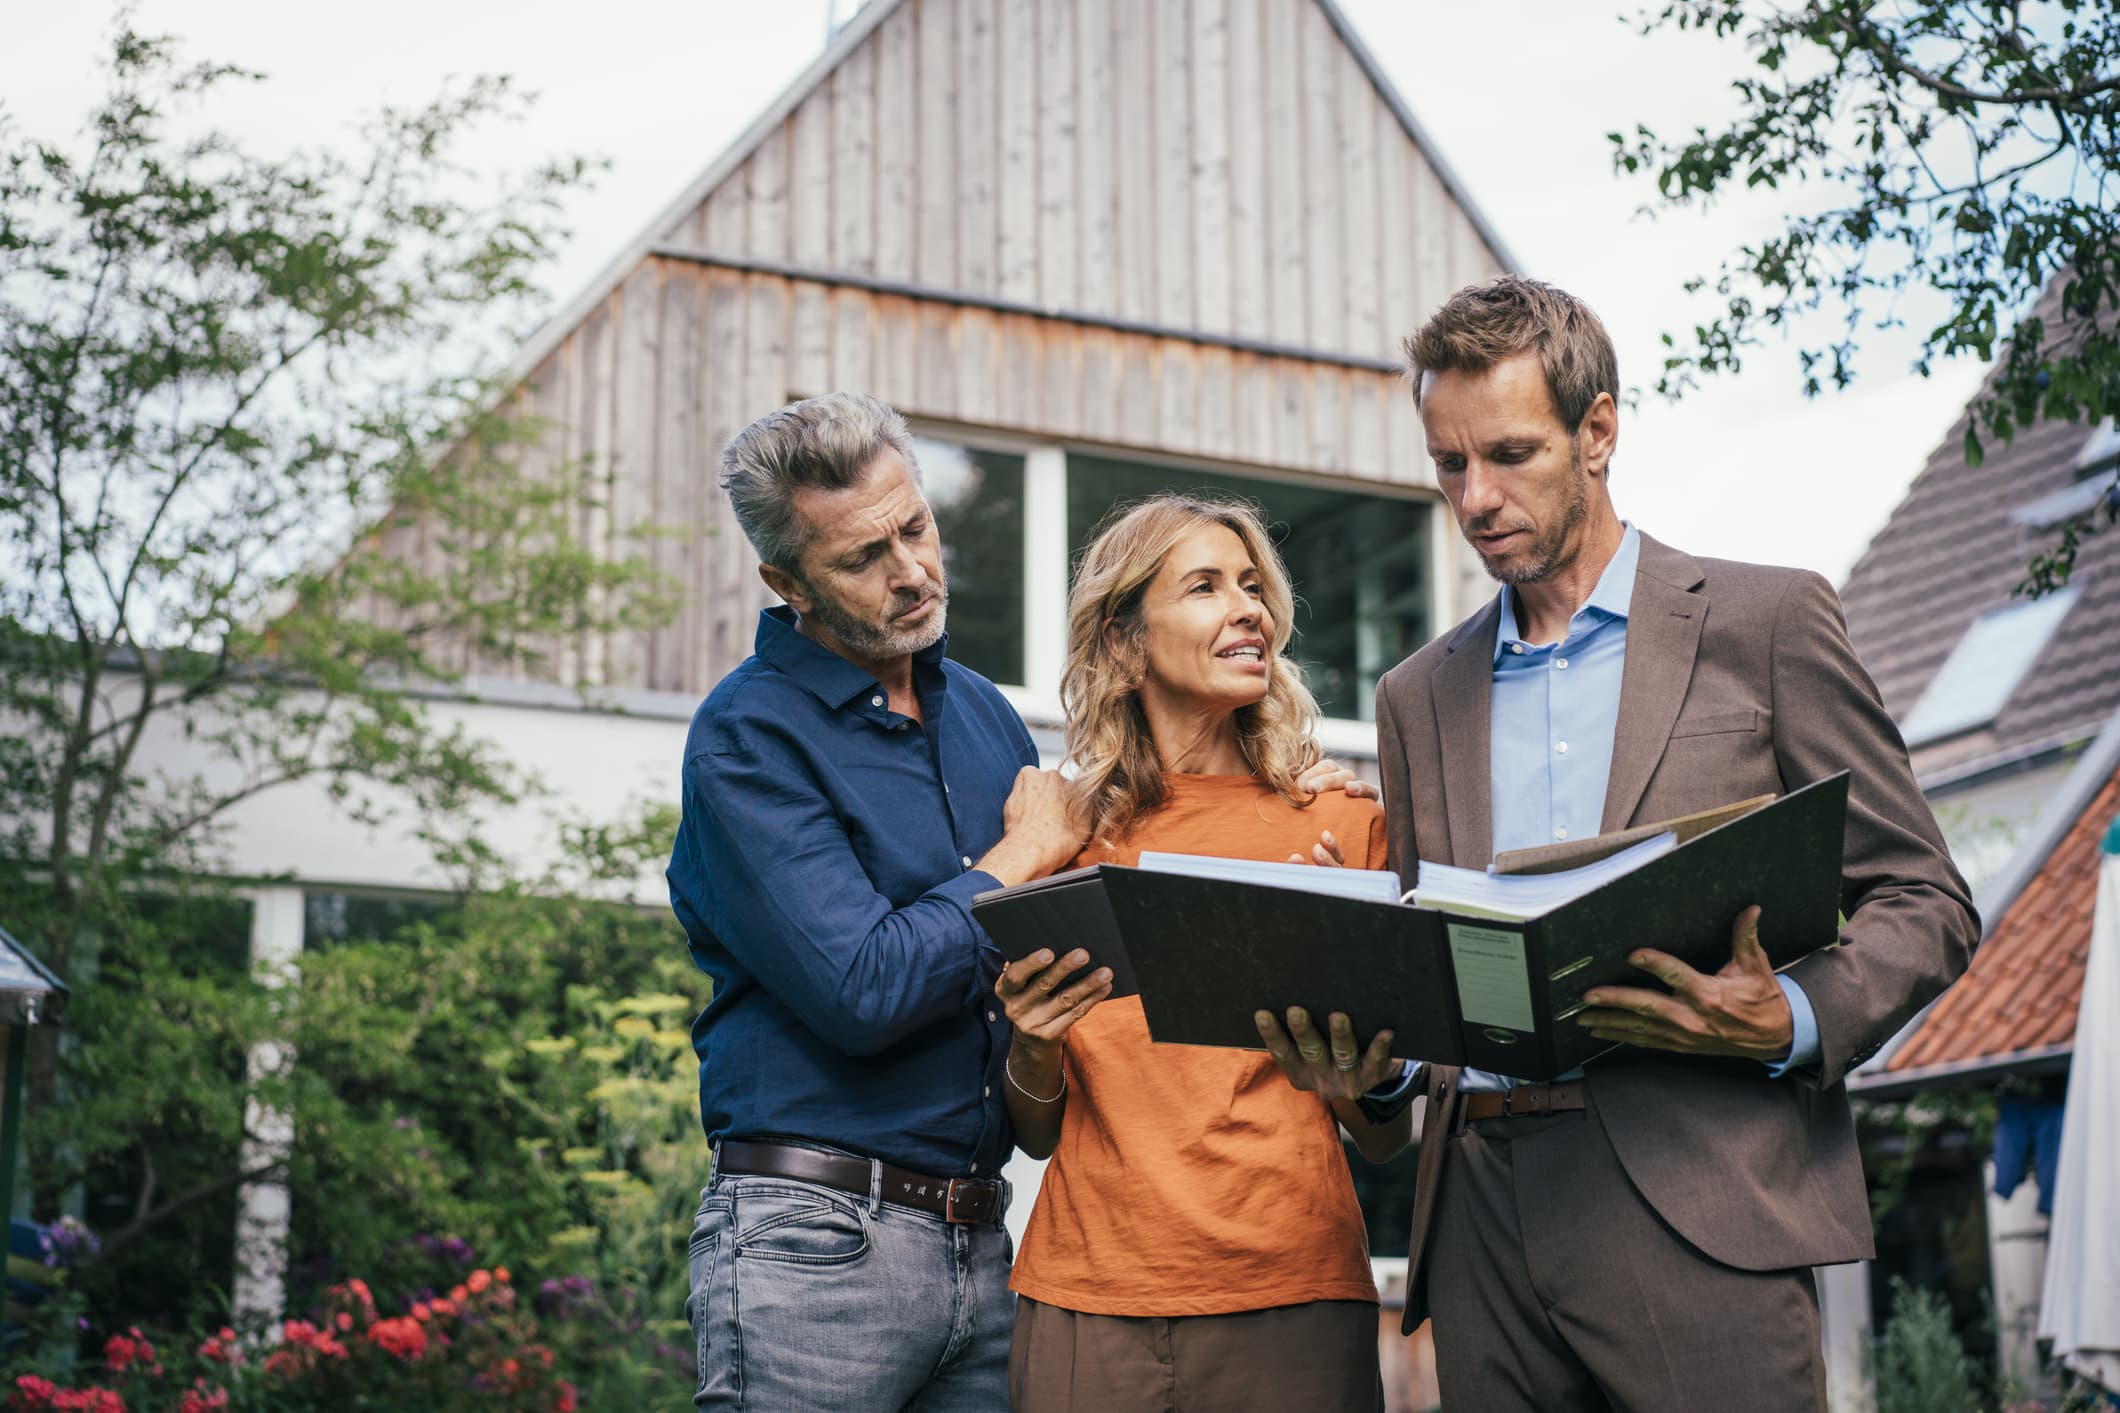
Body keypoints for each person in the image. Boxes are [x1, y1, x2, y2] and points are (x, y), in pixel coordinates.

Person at [1344, 277, 1978, 1412]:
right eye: (1448, 464)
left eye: (1508, 452)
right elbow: (1427, 958)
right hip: (1480, 1219)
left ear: (1597, 432)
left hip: (1702, 1198)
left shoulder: (1766, 623)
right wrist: (1378, 1064)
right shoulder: (1412, 696)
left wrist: (1785, 1018)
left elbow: (1923, 898)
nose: (1475, 497)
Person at [670, 395, 1368, 1411]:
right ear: (787, 584)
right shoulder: (747, 738)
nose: (910, 571)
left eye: (915, 528)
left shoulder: (984, 720)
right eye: (862, 558)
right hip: (813, 1236)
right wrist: (1025, 850)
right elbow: (861, 989)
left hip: (982, 1243)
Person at [995, 493, 1413, 1413]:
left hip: (1291, 1298)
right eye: (1206, 586)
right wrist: (1030, 1041)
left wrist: (1344, 1062)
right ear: (1122, 641)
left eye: (1255, 587)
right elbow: (1033, 1131)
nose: (1249, 608)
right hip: (1086, 1305)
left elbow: (1388, 1135)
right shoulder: (1061, 838)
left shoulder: (1341, 827)